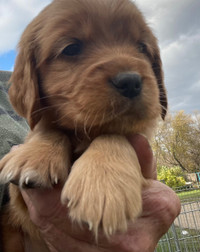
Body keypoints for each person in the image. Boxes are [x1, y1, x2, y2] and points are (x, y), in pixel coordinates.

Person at [0, 70, 181, 252]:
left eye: (142, 48)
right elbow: (18, 206)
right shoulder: (33, 87)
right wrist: (48, 141)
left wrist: (116, 150)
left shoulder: (15, 83)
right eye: (72, 49)